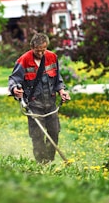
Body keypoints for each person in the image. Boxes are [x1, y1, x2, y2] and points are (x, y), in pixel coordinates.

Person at [8, 33, 71, 163]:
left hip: (50, 103)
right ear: (32, 47)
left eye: (43, 50)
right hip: (34, 105)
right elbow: (13, 79)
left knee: (54, 131)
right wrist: (15, 89)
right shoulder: (23, 60)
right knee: (37, 135)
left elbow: (58, 79)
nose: (41, 54)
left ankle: (50, 160)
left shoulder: (52, 57)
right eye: (38, 51)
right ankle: (42, 163)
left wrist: (62, 91)